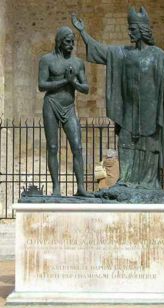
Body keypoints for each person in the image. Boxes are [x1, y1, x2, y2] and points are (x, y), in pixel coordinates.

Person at [72, 7, 164, 190]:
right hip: (129, 112)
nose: (129, 32)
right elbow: (101, 51)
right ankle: (126, 182)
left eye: (132, 29)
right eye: (129, 29)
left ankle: (149, 184)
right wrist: (82, 32)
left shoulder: (158, 56)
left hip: (150, 113)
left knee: (149, 148)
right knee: (126, 144)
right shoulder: (123, 54)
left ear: (142, 31)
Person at [38, 26, 90, 196]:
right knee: (53, 147)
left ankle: (81, 187)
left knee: (77, 147)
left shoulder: (77, 62)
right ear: (60, 42)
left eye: (73, 41)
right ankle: (56, 188)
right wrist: (64, 82)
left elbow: (86, 88)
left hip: (69, 107)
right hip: (51, 104)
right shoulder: (47, 60)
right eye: (68, 41)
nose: (71, 44)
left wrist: (72, 83)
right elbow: (42, 85)